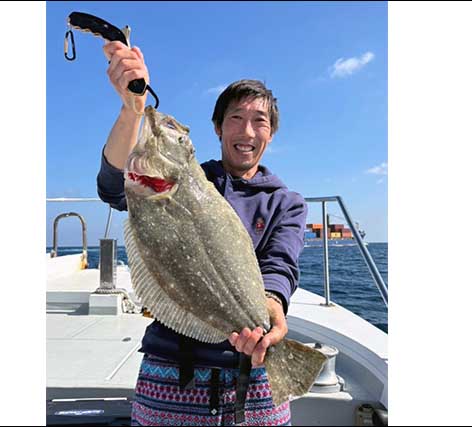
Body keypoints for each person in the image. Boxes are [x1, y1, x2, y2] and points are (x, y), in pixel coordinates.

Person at [97, 41, 307, 426]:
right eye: (235, 118)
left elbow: (280, 265)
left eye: (259, 120)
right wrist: (132, 110)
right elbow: (113, 186)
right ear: (218, 127)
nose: (247, 130)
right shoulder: (188, 180)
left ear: (271, 133)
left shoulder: (287, 202)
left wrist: (271, 309)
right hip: (172, 369)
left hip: (255, 374)